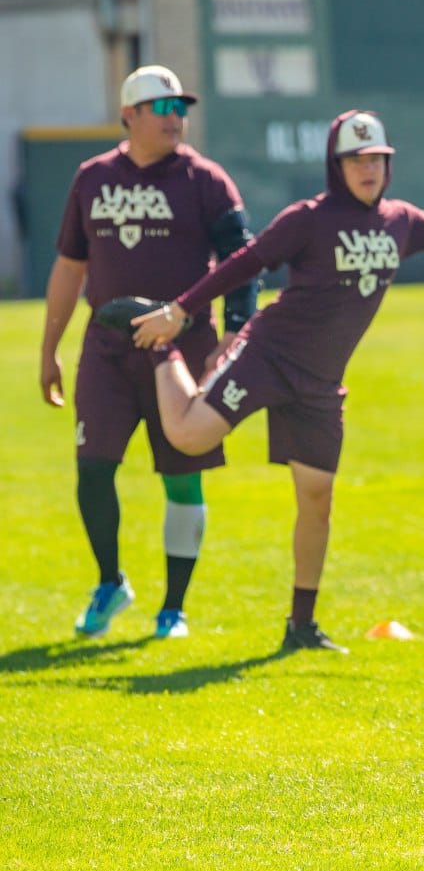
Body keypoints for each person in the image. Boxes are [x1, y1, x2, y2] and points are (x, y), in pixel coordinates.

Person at [104, 110, 424, 652]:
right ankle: (160, 348)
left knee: (317, 496)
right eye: (355, 159)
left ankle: (300, 625)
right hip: (268, 355)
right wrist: (180, 314)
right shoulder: (309, 218)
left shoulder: (399, 221)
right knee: (188, 436)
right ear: (336, 165)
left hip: (320, 383)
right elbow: (243, 263)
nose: (367, 168)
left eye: (376, 158)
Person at [40, 65, 259, 640]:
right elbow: (69, 265)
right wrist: (49, 347)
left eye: (180, 107)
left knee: (182, 476)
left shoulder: (205, 179)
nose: (175, 117)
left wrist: (234, 334)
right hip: (107, 348)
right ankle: (110, 581)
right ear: (129, 116)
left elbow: (243, 261)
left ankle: (174, 609)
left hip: (182, 351)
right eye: (161, 108)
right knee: (92, 469)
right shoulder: (92, 178)